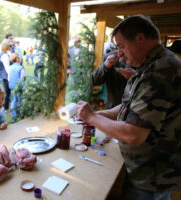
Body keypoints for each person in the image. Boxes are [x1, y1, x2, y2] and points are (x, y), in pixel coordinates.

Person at [77, 15, 181, 199]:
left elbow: (134, 134)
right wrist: (96, 114)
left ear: (140, 39)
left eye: (121, 46)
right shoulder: (149, 66)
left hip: (151, 175)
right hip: (145, 170)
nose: (120, 54)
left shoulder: (161, 71)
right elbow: (127, 106)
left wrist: (92, 117)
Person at [8, 53, 25, 117]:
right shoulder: (20, 68)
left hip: (11, 86)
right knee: (19, 100)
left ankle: (13, 114)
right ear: (17, 59)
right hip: (18, 86)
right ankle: (18, 113)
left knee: (13, 100)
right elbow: (22, 79)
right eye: (19, 58)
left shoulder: (10, 67)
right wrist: (24, 88)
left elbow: (9, 77)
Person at [0, 40, 12, 111]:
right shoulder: (4, 56)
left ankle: (6, 107)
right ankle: (6, 108)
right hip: (6, 76)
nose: (11, 47)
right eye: (10, 46)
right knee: (7, 92)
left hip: (5, 76)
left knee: (7, 92)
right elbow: (7, 69)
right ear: (7, 47)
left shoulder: (4, 54)